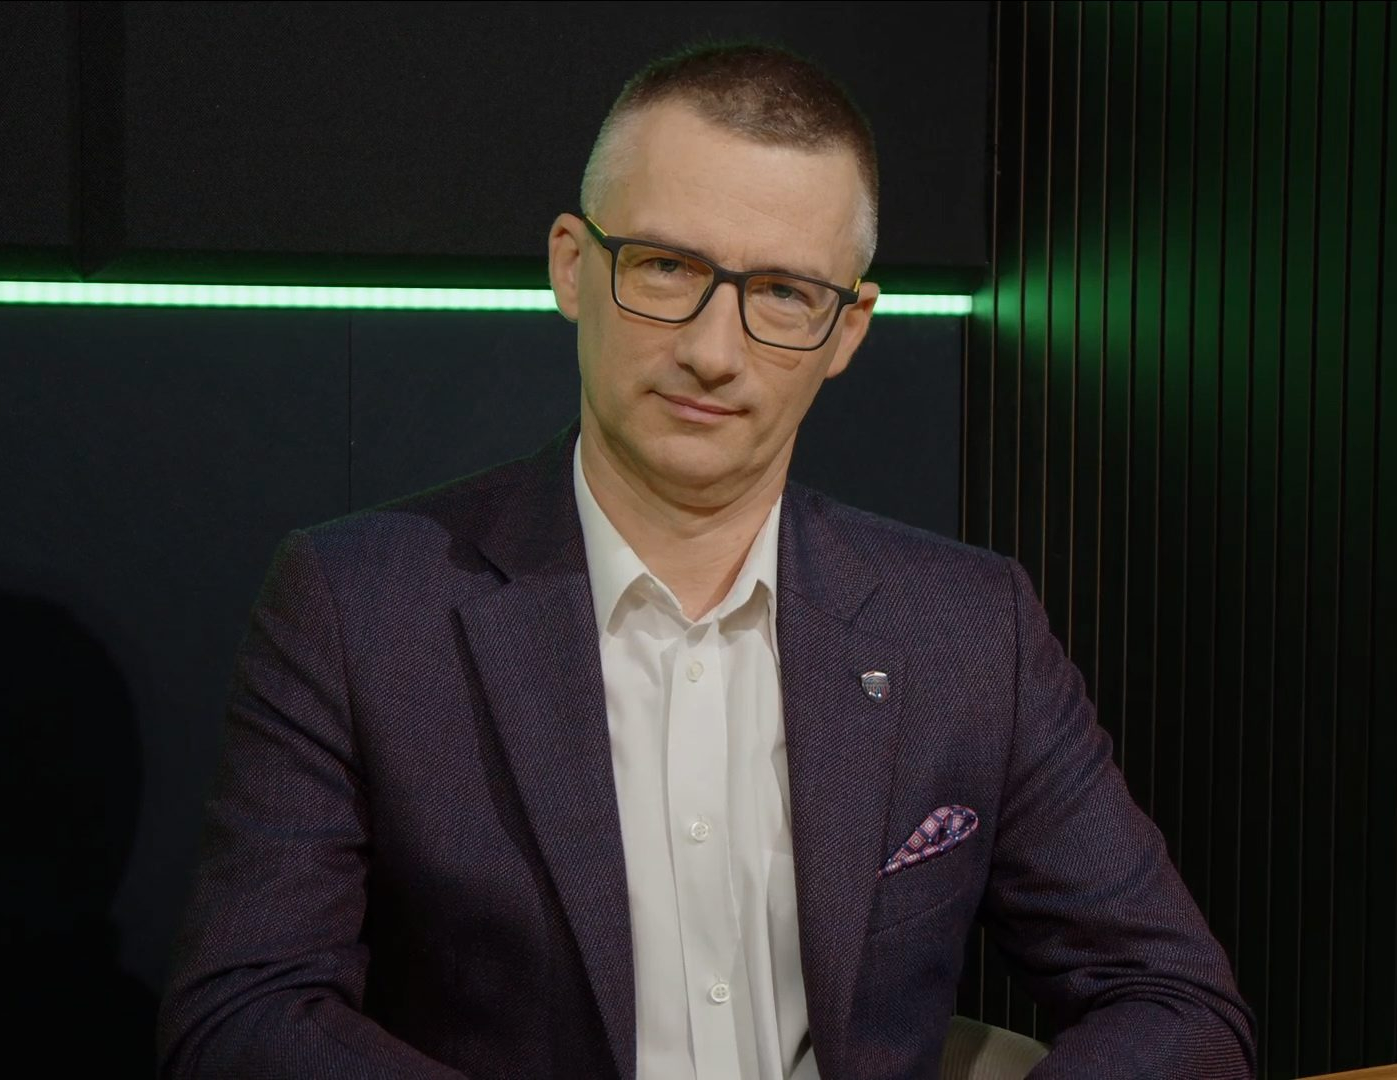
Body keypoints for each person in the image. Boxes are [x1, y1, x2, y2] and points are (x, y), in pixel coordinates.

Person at [158, 41, 1253, 1080]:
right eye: (666, 266)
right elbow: (241, 1018)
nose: (713, 351)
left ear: (848, 330)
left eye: (783, 292)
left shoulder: (968, 628)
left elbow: (1175, 1002)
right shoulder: (359, 606)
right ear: (573, 266)